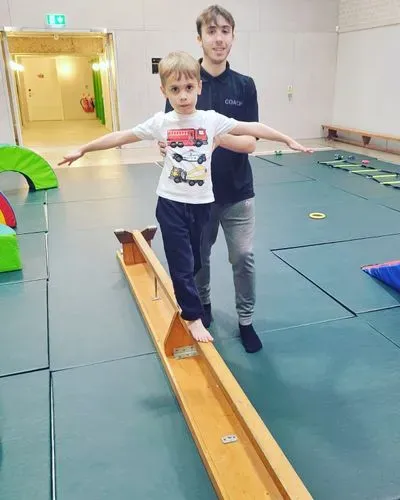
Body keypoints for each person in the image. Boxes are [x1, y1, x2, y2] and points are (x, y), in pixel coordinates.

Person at [58, 51, 311, 345]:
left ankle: (195, 300)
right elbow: (121, 136)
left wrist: (287, 139)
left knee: (195, 263)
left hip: (202, 204)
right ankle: (192, 317)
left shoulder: (211, 120)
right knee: (181, 261)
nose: (182, 96)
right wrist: (84, 149)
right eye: (175, 90)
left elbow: (252, 128)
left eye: (189, 88)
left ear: (199, 87)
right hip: (171, 202)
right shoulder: (161, 122)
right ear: (164, 91)